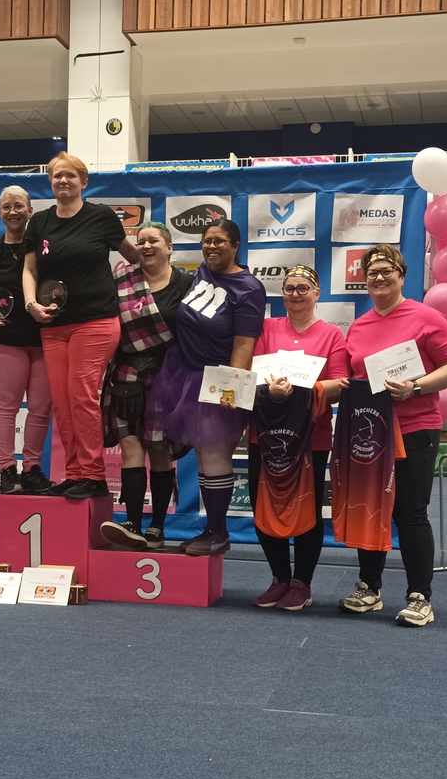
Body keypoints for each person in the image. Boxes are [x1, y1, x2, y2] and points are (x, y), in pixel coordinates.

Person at [335, 244, 447, 628]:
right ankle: (369, 588)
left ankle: (419, 597)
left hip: (415, 427)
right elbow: (354, 379)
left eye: (386, 270)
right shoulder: (359, 326)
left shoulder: (427, 317)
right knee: (370, 507)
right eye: (372, 272)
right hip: (370, 431)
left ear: (401, 276)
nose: (379, 277)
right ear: (364, 280)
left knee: (410, 512)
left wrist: (416, 387)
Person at [20, 152, 140, 500]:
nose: (63, 180)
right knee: (62, 402)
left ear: (83, 182)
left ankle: (94, 475)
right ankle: (74, 474)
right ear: (50, 182)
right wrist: (31, 304)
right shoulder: (39, 222)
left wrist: (159, 260)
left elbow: (133, 256)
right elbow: (29, 270)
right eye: (57, 175)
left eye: (70, 175)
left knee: (81, 397)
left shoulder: (101, 216)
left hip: (95, 322)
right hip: (53, 325)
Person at [145, 220, 265, 556]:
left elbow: (244, 343)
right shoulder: (202, 272)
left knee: (215, 454)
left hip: (218, 380)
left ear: (235, 245)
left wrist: (231, 390)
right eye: (207, 241)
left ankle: (218, 532)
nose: (211, 247)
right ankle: (210, 529)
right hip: (184, 374)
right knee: (203, 455)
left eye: (220, 241)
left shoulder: (249, 287)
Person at [247, 265, 349, 611]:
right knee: (262, 505)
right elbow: (249, 375)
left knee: (308, 509)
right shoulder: (265, 328)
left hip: (310, 439)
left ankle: (301, 582)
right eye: (289, 288)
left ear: (317, 293)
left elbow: (340, 385)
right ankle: (279, 578)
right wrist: (270, 391)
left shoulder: (332, 335)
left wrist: (299, 390)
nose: (295, 294)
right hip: (264, 435)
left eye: (303, 288)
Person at [99, 223, 193, 551]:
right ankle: (133, 524)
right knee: (130, 446)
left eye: (153, 241)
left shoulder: (187, 283)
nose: (146, 246)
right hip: (126, 373)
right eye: (140, 242)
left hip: (168, 375)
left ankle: (157, 527)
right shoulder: (121, 279)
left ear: (169, 248)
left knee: (160, 451)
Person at [0, 185, 53, 495]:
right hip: (3, 340)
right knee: (6, 407)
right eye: (6, 206)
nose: (13, 211)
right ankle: (7, 470)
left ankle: (32, 470)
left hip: (44, 340)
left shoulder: (44, 251)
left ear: (30, 210)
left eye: (19, 205)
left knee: (40, 409)